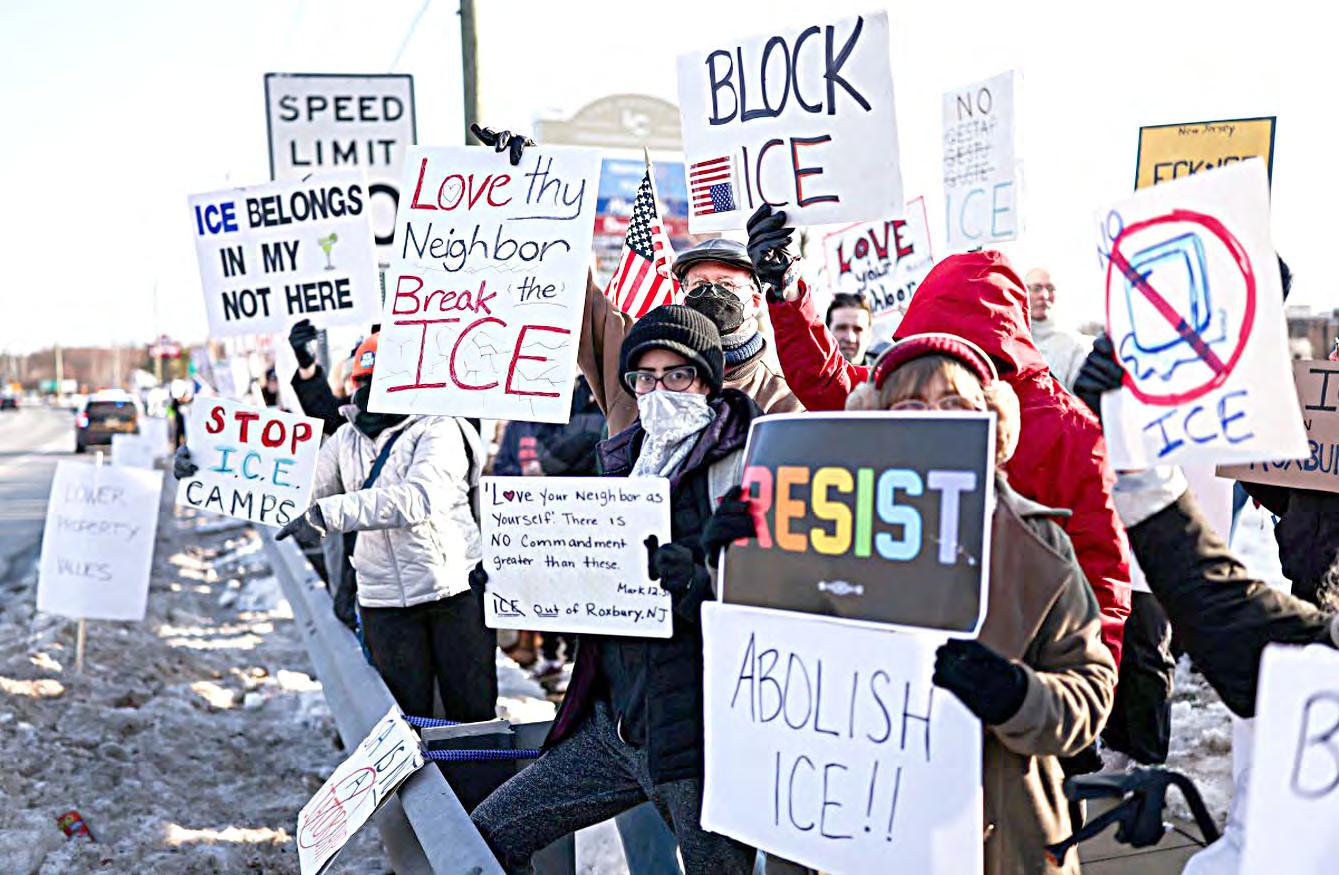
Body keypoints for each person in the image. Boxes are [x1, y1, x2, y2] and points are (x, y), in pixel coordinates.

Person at [758, 206, 1130, 667]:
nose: (933, 400)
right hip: (908, 651)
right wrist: (789, 293)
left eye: (955, 399)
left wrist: (1080, 683)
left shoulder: (1070, 431)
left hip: (1016, 668)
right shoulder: (902, 393)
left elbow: (1101, 579)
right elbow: (829, 382)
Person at [471, 305, 760, 874]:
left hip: (696, 741)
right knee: (489, 833)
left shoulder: (747, 462)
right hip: (615, 726)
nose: (659, 391)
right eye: (644, 378)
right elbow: (594, 588)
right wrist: (517, 578)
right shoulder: (623, 463)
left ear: (707, 379)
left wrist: (700, 583)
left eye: (677, 375)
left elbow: (775, 599)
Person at [831, 333, 1117, 873]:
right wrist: (741, 554)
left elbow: (1090, 691)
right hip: (868, 826)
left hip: (1005, 837)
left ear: (991, 422)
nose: (934, 422)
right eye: (910, 407)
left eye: (954, 404)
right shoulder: (830, 538)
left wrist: (1017, 697)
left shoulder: (1039, 543)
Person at [470, 123, 801, 436]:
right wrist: (533, 185)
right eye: (699, 285)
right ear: (682, 294)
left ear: (755, 299)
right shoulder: (634, 357)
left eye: (726, 285)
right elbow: (575, 292)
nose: (710, 293)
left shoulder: (782, 398)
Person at [270, 334, 498, 759]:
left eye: (382, 380)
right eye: (364, 381)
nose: (371, 391)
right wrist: (207, 468)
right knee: (406, 727)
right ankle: (420, 803)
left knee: (472, 719)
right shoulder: (345, 440)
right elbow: (297, 489)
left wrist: (330, 513)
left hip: (452, 594)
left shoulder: (439, 428)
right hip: (384, 605)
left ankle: (483, 794)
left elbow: (418, 498)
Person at [1024, 268, 1092, 391]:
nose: (1044, 296)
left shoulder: (1074, 344)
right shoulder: (1011, 341)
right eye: (1036, 288)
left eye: (1050, 289)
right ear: (1023, 292)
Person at [825, 292, 873, 364]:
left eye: (858, 329)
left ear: (869, 335)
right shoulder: (810, 369)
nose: (850, 338)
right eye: (842, 328)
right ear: (827, 332)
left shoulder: (885, 369)